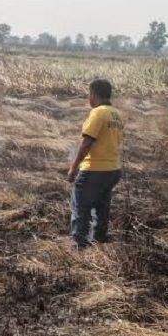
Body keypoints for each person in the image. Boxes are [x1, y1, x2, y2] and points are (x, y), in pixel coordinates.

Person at [67, 79, 124, 249]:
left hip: (94, 169)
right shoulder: (116, 114)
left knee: (81, 208)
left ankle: (79, 247)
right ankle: (99, 243)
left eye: (88, 94)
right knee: (101, 207)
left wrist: (73, 167)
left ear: (93, 94)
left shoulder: (98, 113)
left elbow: (87, 142)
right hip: (113, 169)